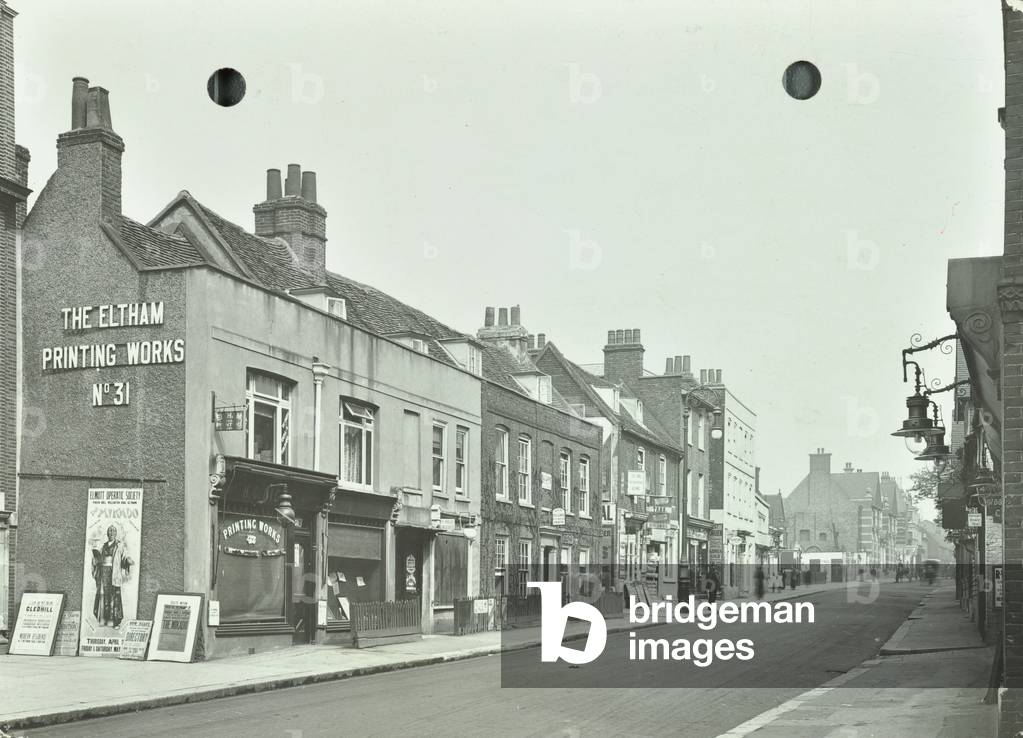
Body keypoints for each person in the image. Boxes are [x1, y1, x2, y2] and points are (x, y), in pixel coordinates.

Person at [91, 524, 134, 627]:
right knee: (103, 595)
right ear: (107, 533)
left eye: (114, 531)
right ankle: (104, 619)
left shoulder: (120, 545)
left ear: (116, 534)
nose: (112, 533)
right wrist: (96, 558)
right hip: (103, 573)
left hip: (114, 573)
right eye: (110, 531)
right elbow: (98, 559)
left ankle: (115, 621)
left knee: (114, 596)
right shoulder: (104, 546)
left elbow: (124, 557)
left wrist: (127, 560)